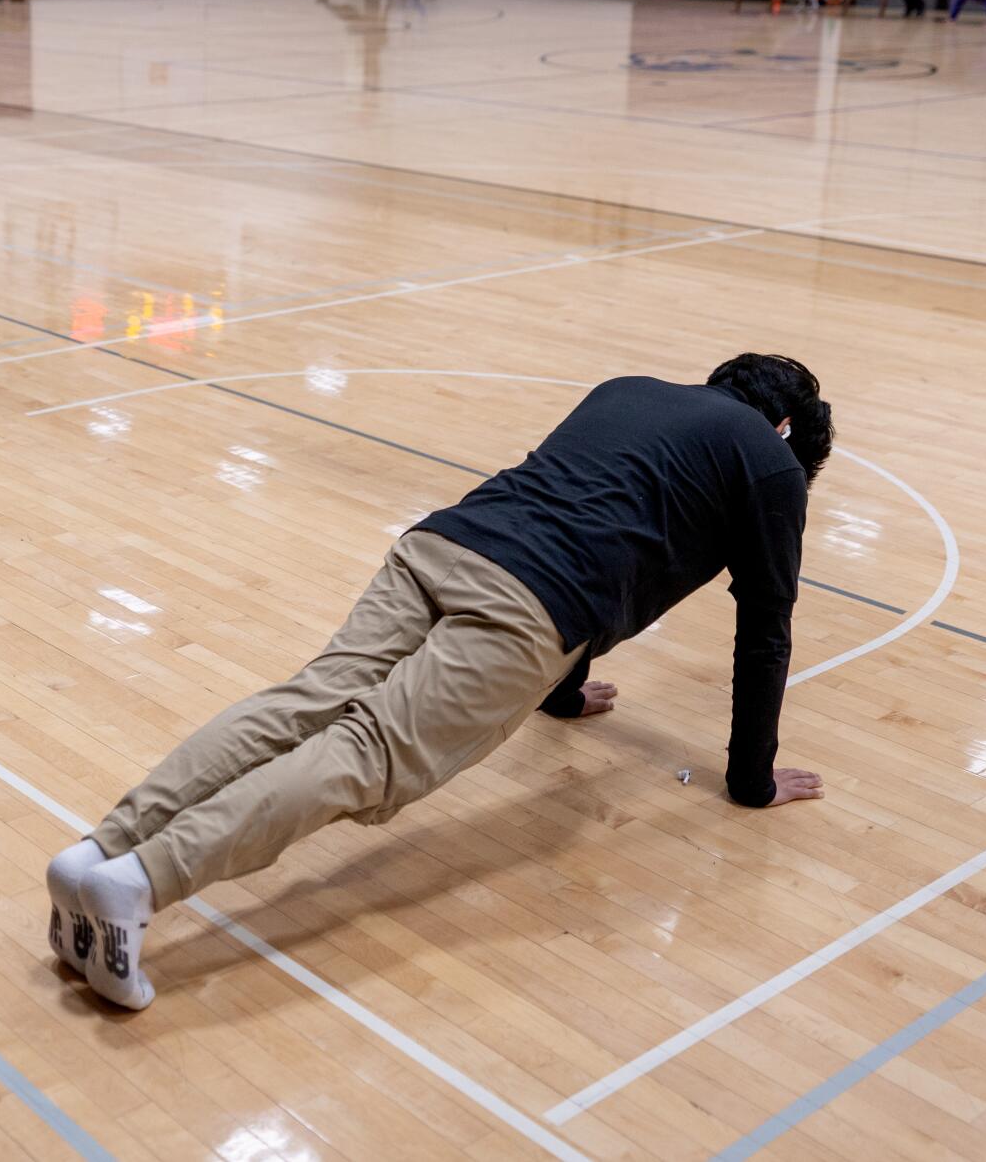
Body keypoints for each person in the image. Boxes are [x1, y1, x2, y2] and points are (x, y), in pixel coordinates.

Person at [46, 355, 834, 1009]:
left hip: (441, 544)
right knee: (365, 754)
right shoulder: (769, 464)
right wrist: (753, 779)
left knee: (302, 701)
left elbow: (603, 514)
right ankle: (141, 882)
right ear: (784, 430)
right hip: (528, 604)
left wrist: (561, 691)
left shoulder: (630, 390)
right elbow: (764, 627)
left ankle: (98, 852)